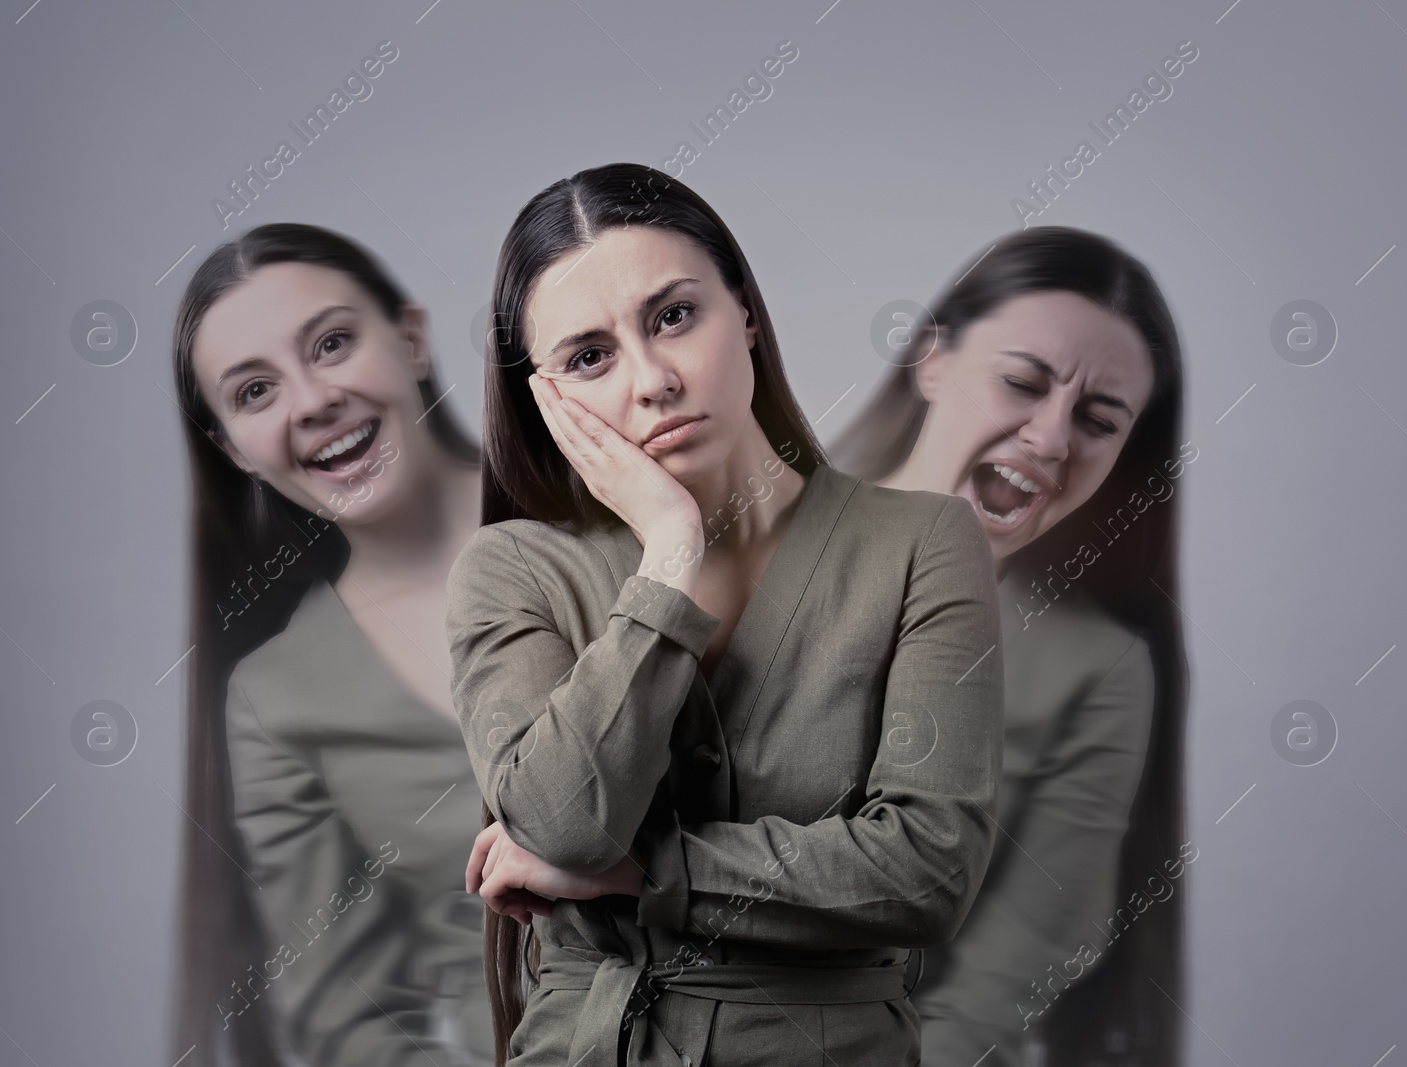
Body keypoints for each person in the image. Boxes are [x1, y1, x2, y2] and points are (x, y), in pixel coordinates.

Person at [442, 163, 1005, 1067]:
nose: (653, 379)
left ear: (742, 309)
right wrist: (670, 550)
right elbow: (564, 826)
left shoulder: (923, 541)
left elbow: (928, 871)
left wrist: (642, 873)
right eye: (590, 357)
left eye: (673, 316)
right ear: (545, 399)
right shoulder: (513, 570)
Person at [831, 226, 1191, 1067]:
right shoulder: (733, 543)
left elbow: (1035, 937)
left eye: (1100, 420)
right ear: (932, 359)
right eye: (1023, 382)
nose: (1053, 438)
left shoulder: (1095, 667)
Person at [168, 222, 494, 1066]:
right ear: (229, 448)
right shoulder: (280, 695)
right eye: (253, 392)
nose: (312, 401)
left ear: (413, 341)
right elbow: (353, 1022)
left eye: (333, 343)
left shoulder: (619, 496)